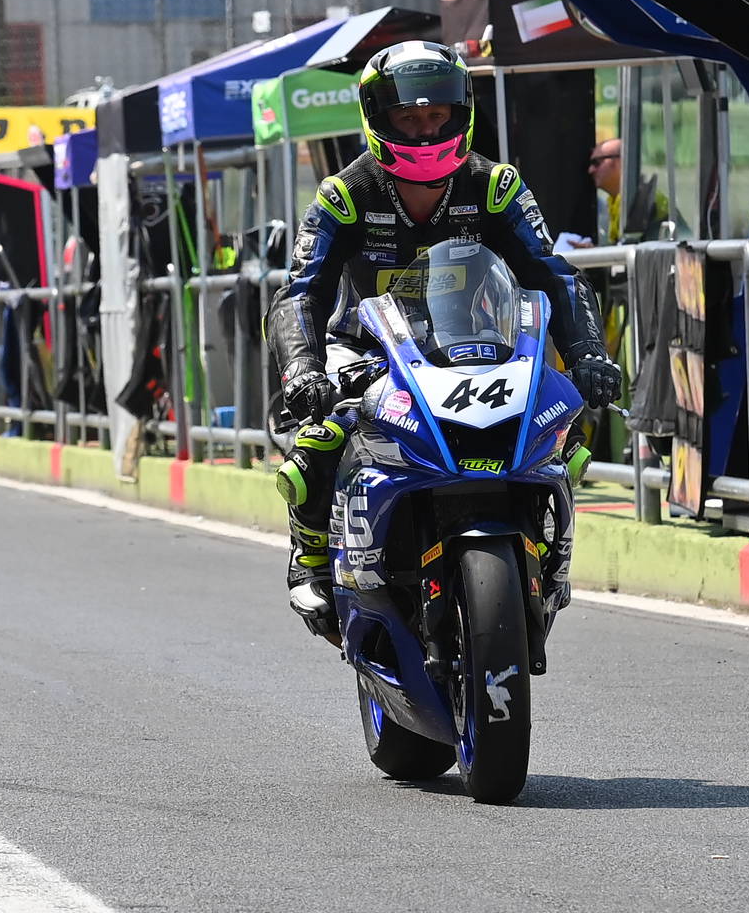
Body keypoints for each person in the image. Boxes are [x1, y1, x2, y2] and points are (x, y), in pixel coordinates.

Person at [265, 41, 621, 640]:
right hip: (367, 351)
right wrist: (303, 368)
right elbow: (301, 292)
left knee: (562, 429)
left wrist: (588, 353)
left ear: (462, 112)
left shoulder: (497, 186)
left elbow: (552, 275)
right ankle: (312, 553)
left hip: (479, 345)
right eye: (409, 117)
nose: (426, 130)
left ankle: (545, 548)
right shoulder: (343, 195)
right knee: (319, 441)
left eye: (437, 115)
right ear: (378, 119)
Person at [587, 138, 673, 245]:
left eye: (596, 163)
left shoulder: (639, 198)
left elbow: (633, 246)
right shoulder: (614, 200)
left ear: (621, 160)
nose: (590, 170)